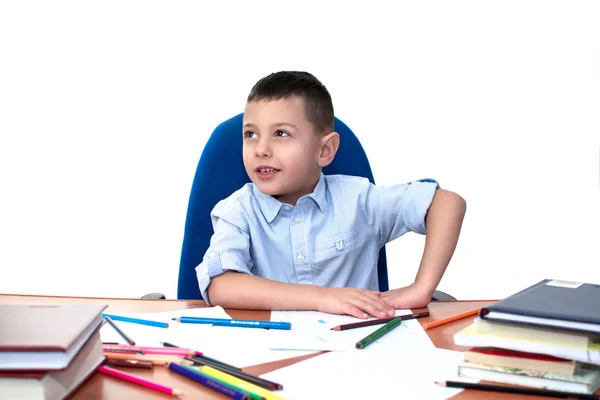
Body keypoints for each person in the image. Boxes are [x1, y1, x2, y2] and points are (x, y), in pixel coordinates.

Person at [195, 71, 466, 319]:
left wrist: (422, 287)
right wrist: (321, 297)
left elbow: (447, 203)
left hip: (357, 352)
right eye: (250, 134)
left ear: (324, 151)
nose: (261, 149)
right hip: (268, 352)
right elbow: (221, 285)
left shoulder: (359, 200)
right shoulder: (237, 211)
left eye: (281, 133)